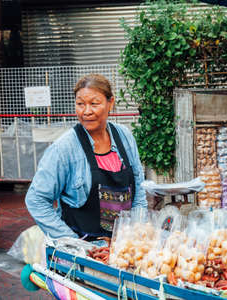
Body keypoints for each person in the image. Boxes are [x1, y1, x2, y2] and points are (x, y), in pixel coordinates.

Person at [25, 74, 147, 240]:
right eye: (80, 104)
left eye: (94, 104)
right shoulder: (64, 148)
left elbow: (139, 188)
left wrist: (136, 230)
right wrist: (73, 243)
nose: (86, 111)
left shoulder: (124, 137)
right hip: (82, 255)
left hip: (122, 248)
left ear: (110, 103)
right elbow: (36, 200)